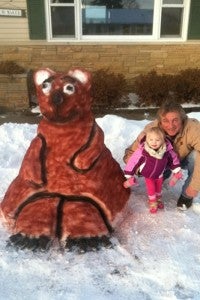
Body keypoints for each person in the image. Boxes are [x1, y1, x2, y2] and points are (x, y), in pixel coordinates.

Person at [124, 97, 200, 211]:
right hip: (161, 162)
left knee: (195, 156)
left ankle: (186, 196)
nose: (171, 125)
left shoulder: (193, 128)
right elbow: (130, 154)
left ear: (182, 119)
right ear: (160, 121)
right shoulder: (151, 130)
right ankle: (163, 174)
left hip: (183, 159)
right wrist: (141, 169)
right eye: (165, 121)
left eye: (175, 120)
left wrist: (194, 186)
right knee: (150, 157)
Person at [123, 126, 182, 213]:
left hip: (160, 174)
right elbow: (133, 161)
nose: (154, 142)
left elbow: (174, 160)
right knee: (151, 189)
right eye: (151, 140)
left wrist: (176, 171)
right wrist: (129, 174)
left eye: (157, 140)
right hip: (148, 174)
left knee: (158, 188)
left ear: (163, 140)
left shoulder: (167, 151)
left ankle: (158, 199)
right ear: (147, 140)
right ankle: (152, 202)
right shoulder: (143, 151)